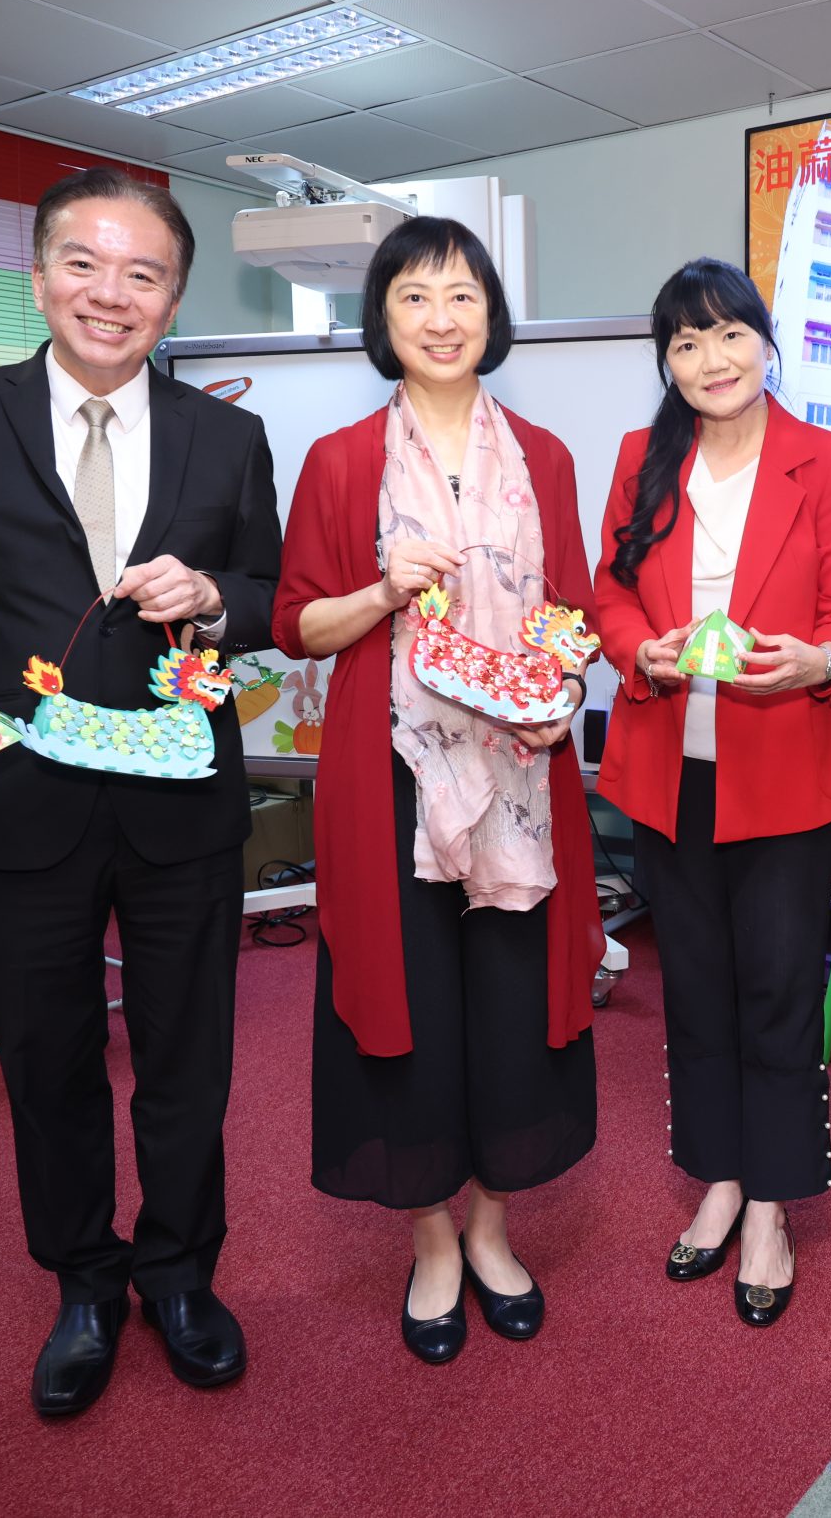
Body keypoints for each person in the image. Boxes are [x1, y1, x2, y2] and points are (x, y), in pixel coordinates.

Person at [0, 169, 279, 1419]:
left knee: (190, 1060)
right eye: (85, 264)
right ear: (37, 277)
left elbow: (268, 588)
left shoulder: (227, 435)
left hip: (176, 800)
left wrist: (216, 599)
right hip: (13, 801)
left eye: (143, 274)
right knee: (49, 1061)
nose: (111, 292)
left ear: (174, 297)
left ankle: (182, 1277)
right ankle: (84, 1284)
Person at [271, 216, 601, 1365]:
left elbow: (576, 613)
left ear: (490, 315)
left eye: (462, 295)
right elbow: (295, 625)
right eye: (415, 296)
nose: (442, 317)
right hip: (389, 774)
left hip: (521, 773)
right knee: (404, 1010)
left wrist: (563, 653)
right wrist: (378, 590)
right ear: (383, 321)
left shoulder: (548, 458)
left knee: (513, 1006)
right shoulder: (342, 460)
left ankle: (497, 1231)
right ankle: (430, 1245)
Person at [591, 258, 831, 1328]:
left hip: (784, 771)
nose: (708, 360)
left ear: (765, 343)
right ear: (664, 363)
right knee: (694, 988)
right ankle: (716, 1176)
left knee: (774, 991)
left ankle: (772, 1203)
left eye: (726, 336)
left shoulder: (825, 461)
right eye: (682, 343)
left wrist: (823, 661)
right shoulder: (641, 459)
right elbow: (608, 590)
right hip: (670, 765)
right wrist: (639, 652)